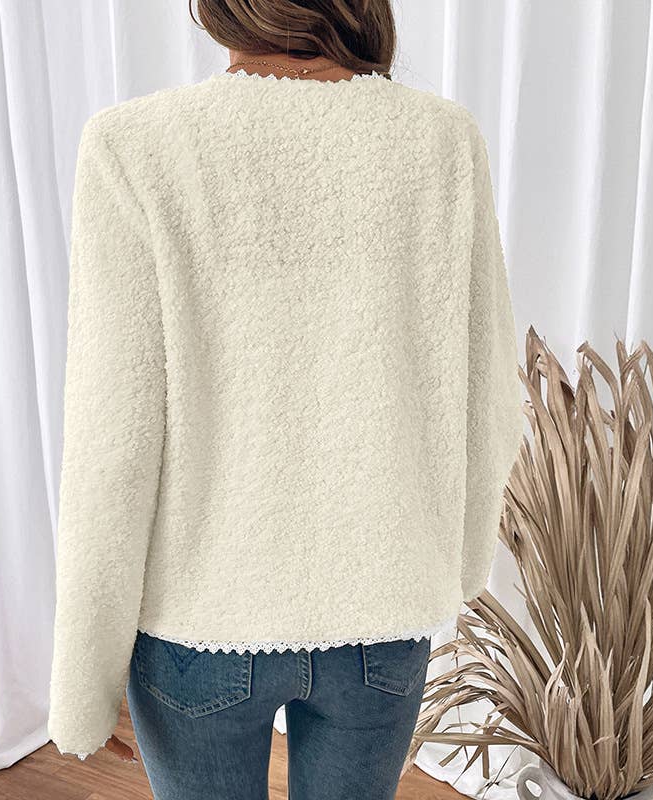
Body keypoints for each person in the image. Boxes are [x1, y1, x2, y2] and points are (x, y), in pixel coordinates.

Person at [47, 1, 525, 798]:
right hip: (381, 615)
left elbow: (113, 435)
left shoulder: (136, 145)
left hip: (201, 621)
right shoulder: (441, 141)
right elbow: (488, 401)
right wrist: (454, 571)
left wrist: (84, 676)